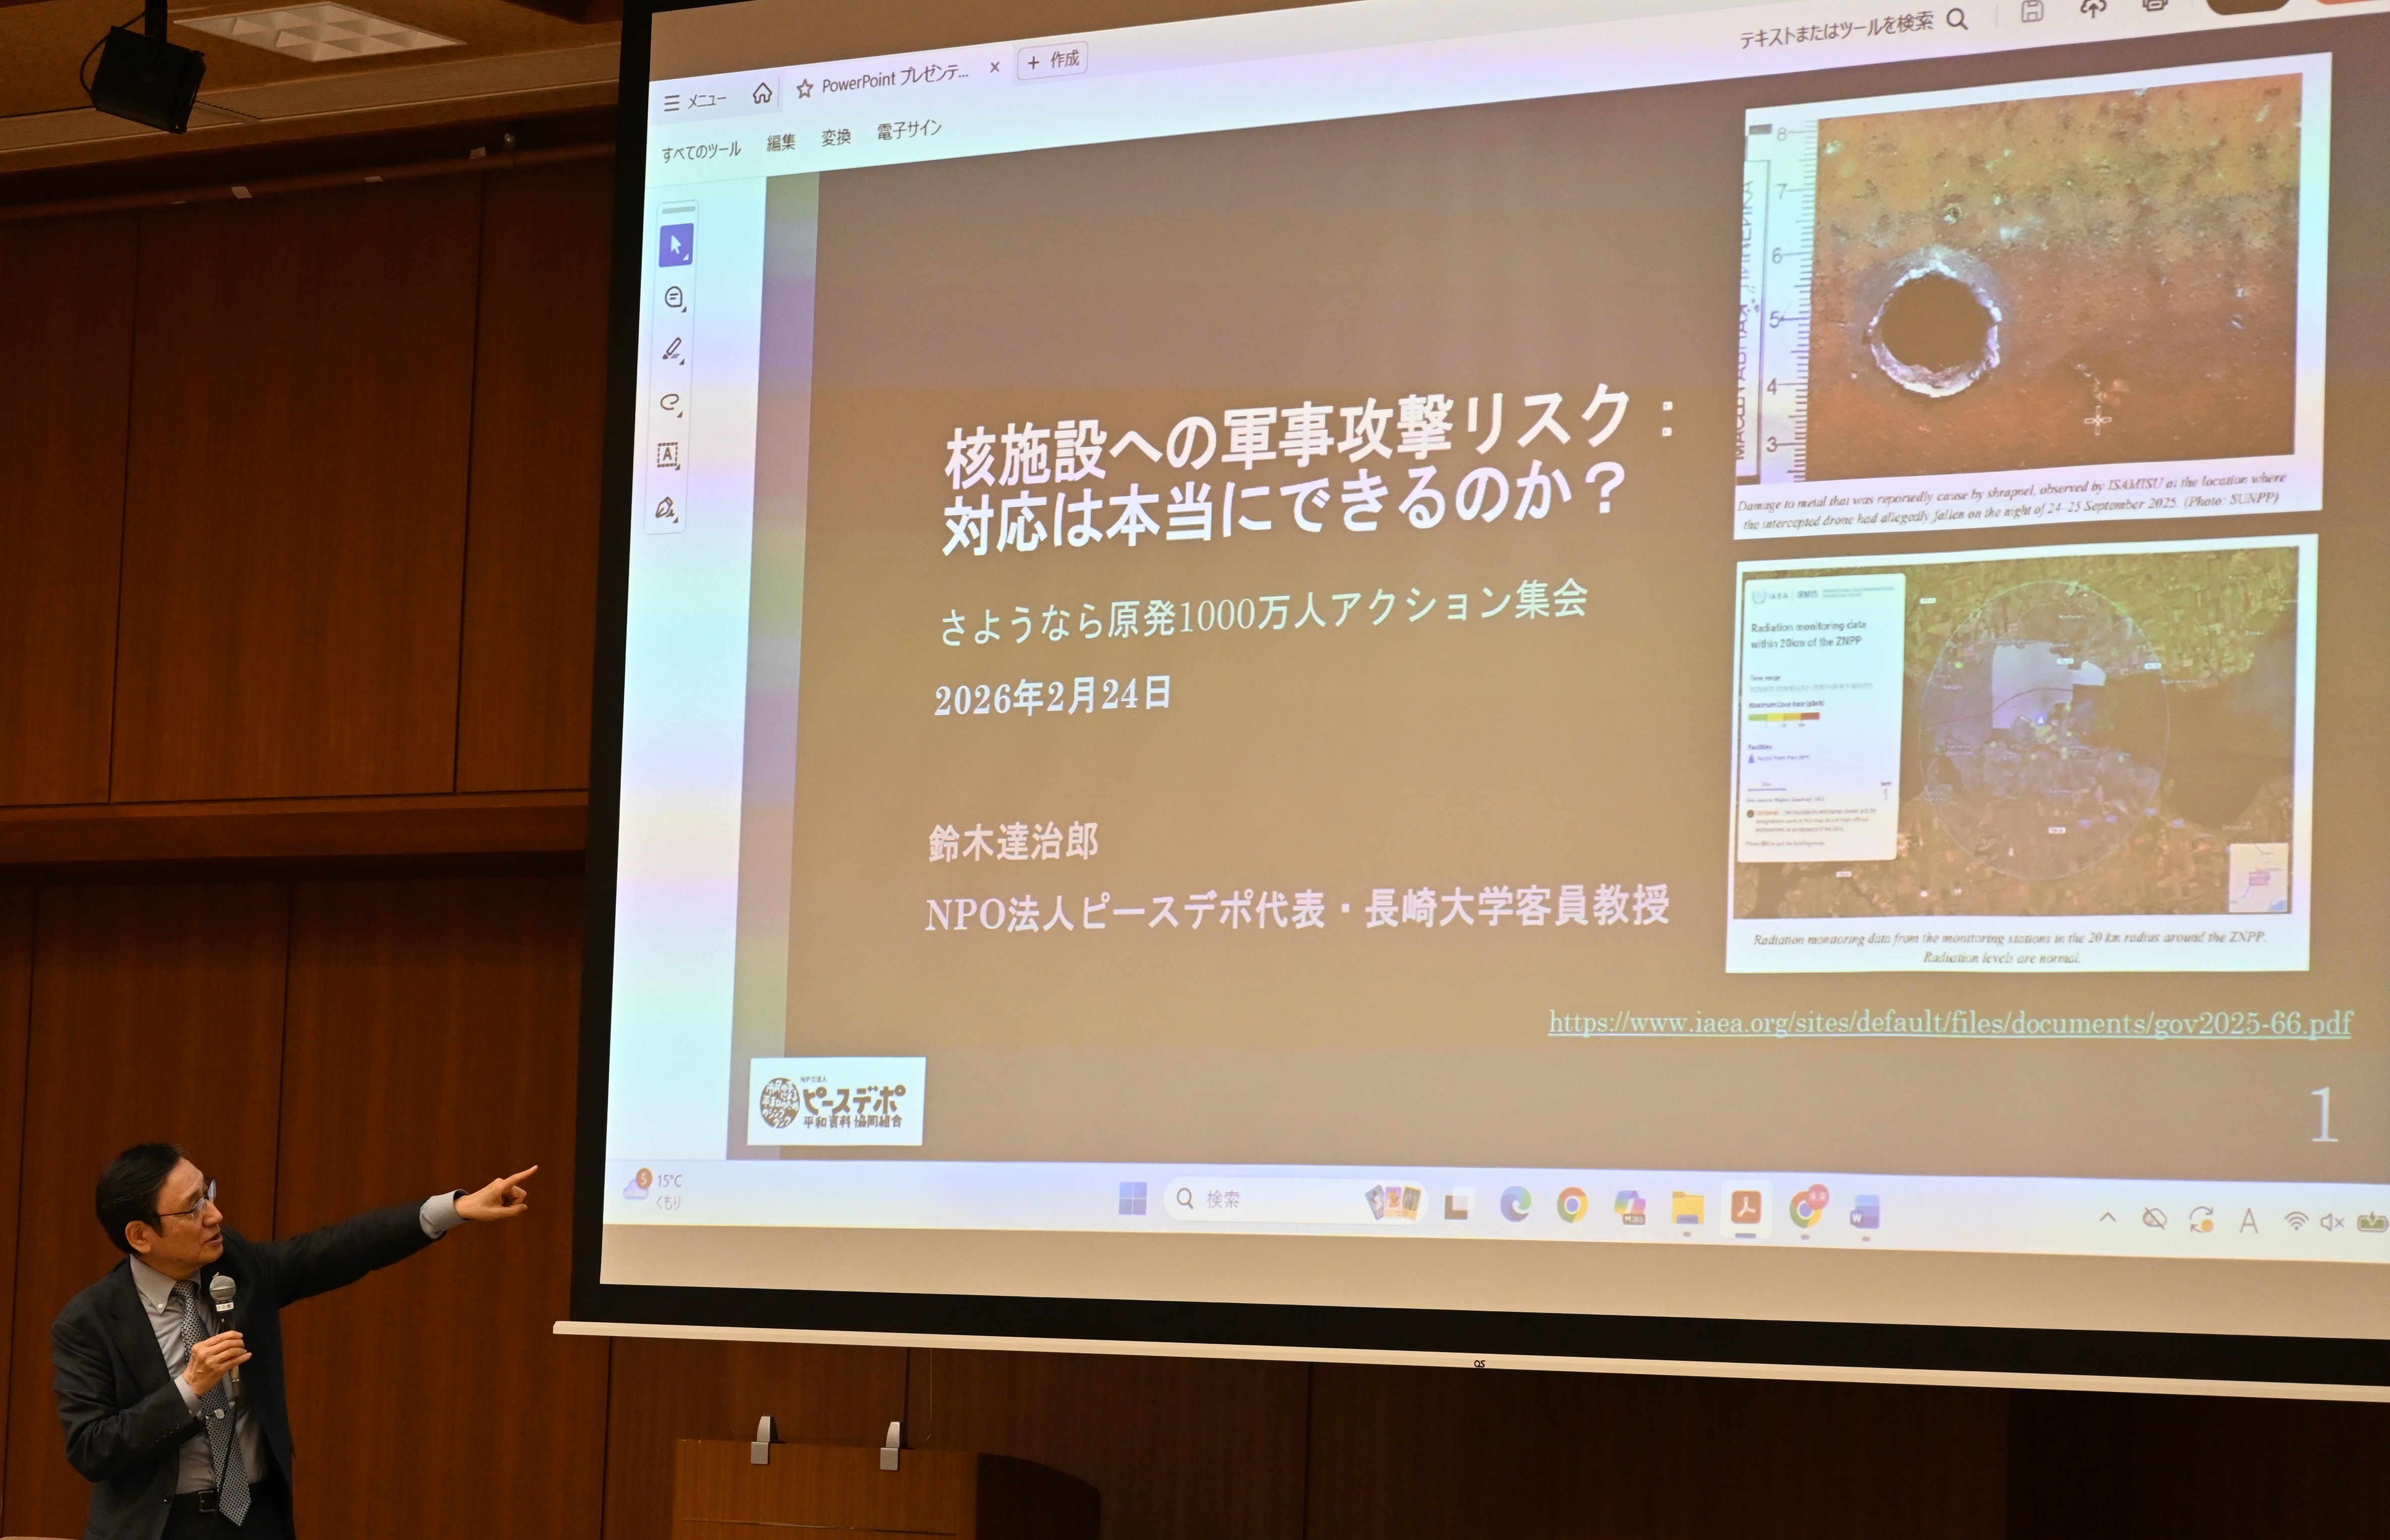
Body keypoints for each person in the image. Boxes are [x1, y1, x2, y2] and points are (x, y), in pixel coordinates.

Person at [51, 1143, 535, 1539]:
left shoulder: (236, 1266)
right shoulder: (89, 1322)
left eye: (209, 1193)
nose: (215, 1214)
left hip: (257, 1519)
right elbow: (92, 1447)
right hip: (159, 1527)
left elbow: (337, 1248)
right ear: (141, 1235)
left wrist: (454, 1209)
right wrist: (189, 1389)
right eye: (193, 1207)